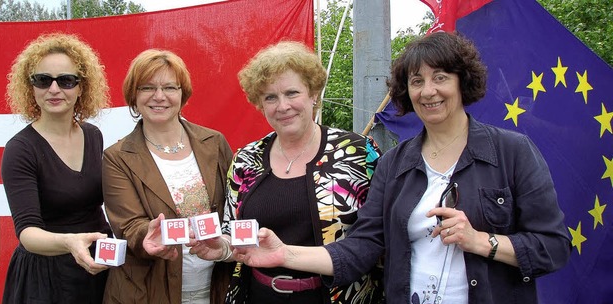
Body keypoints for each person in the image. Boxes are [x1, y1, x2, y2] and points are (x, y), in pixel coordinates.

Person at [230, 32, 572, 304]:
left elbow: (554, 248)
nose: (429, 91)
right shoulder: (395, 163)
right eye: (416, 81)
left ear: (462, 82)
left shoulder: (511, 151)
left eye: (440, 77)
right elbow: (361, 247)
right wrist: (284, 253)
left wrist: (483, 241)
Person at [188, 41, 385, 304]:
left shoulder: (358, 152)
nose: (283, 106)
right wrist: (220, 248)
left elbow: (379, 236)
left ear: (313, 93)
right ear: (260, 103)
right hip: (257, 296)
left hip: (339, 296)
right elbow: (232, 233)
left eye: (292, 93)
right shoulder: (246, 159)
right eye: (270, 97)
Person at [101, 49, 233, 304]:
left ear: (182, 94)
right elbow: (128, 226)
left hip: (216, 286)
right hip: (149, 291)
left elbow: (235, 207)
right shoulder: (117, 157)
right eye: (147, 87)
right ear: (133, 96)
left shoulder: (214, 142)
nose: (159, 97)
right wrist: (146, 234)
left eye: (170, 87)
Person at [1, 33, 111, 304]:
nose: (54, 89)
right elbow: (28, 234)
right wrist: (69, 242)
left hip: (98, 269)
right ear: (31, 87)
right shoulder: (20, 149)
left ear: (81, 87)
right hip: (47, 280)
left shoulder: (93, 135)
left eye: (66, 80)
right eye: (43, 80)